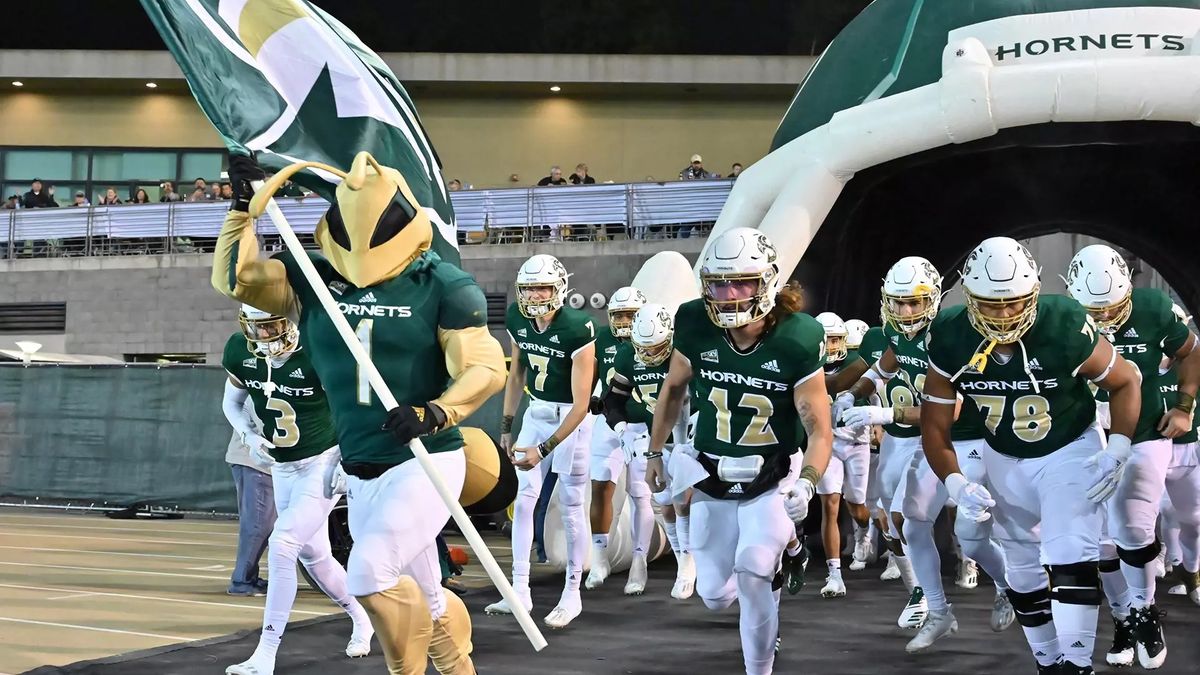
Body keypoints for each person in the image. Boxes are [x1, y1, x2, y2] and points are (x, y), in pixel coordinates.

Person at [212, 151, 507, 675]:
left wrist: (437, 411)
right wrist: (242, 209)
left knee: (368, 574)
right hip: (359, 465)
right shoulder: (314, 275)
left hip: (424, 457)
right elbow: (237, 281)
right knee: (429, 598)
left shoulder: (442, 284)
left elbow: (485, 366)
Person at [921, 236, 1141, 675]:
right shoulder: (949, 334)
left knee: (1069, 553)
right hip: (1003, 454)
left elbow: (1127, 380)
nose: (1005, 315)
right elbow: (934, 425)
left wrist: (1118, 445)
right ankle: (1048, 662)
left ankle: (1077, 665)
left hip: (1069, 446)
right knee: (1021, 568)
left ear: (1034, 293)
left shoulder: (1062, 323)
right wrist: (955, 481)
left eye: (1015, 303)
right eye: (991, 304)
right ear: (969, 297)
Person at [645, 227, 833, 675]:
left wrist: (807, 482)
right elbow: (672, 390)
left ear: (768, 282)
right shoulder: (693, 322)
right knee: (713, 594)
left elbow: (819, 427)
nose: (729, 295)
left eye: (742, 283)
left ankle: (759, 667)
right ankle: (788, 547)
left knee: (752, 574)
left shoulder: (798, 336)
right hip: (711, 473)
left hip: (773, 472)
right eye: (719, 284)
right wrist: (655, 453)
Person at [1064, 244, 1199, 669]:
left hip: (1144, 432)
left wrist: (1185, 404)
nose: (1104, 317)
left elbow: (1192, 351)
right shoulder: (1057, 321)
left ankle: (1144, 609)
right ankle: (1124, 619)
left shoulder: (1154, 308)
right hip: (1089, 435)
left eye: (1112, 307)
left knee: (1133, 525)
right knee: (1102, 543)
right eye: (1095, 310)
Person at [221, 305, 374, 675]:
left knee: (283, 542)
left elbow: (357, 407)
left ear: (290, 319)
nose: (263, 337)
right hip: (282, 466)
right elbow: (231, 402)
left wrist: (345, 458)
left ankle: (266, 653)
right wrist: (249, 434)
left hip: (322, 459)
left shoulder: (317, 351)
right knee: (314, 555)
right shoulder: (240, 350)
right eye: (255, 329)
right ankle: (363, 618)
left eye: (271, 325)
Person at [834, 257, 944, 637]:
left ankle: (934, 593)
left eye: (914, 302)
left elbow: (945, 407)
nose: (905, 310)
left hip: (939, 434)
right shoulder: (895, 334)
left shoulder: (943, 336)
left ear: (932, 299)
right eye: (898, 302)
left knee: (905, 517)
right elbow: (880, 370)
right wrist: (852, 394)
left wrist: (882, 415)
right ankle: (917, 590)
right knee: (886, 517)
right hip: (902, 438)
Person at [486, 254, 596, 629]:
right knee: (525, 498)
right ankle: (519, 589)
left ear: (560, 288)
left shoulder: (579, 327)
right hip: (537, 410)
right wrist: (506, 423)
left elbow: (581, 405)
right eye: (529, 288)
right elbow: (516, 371)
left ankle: (572, 594)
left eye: (543, 288)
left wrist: (543, 449)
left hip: (572, 418)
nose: (535, 296)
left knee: (570, 504)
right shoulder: (518, 318)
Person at [601, 302, 695, 597]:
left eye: (656, 347)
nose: (650, 354)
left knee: (684, 501)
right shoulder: (629, 355)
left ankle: (688, 565)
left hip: (687, 433)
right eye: (645, 347)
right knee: (665, 505)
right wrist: (621, 429)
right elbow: (612, 400)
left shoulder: (685, 350)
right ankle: (682, 558)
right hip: (652, 438)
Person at [585, 286, 651, 593]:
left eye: (630, 315)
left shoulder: (655, 338)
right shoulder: (601, 338)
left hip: (642, 424)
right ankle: (599, 558)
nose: (623, 321)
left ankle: (639, 561)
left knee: (641, 493)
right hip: (609, 421)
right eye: (618, 315)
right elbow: (592, 376)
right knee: (599, 485)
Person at [813, 312, 871, 599]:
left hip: (857, 442)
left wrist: (875, 423)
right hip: (827, 444)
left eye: (836, 338)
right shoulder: (808, 364)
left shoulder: (855, 363)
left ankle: (863, 531)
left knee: (857, 506)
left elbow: (874, 389)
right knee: (830, 505)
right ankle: (834, 573)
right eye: (827, 339)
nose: (832, 344)